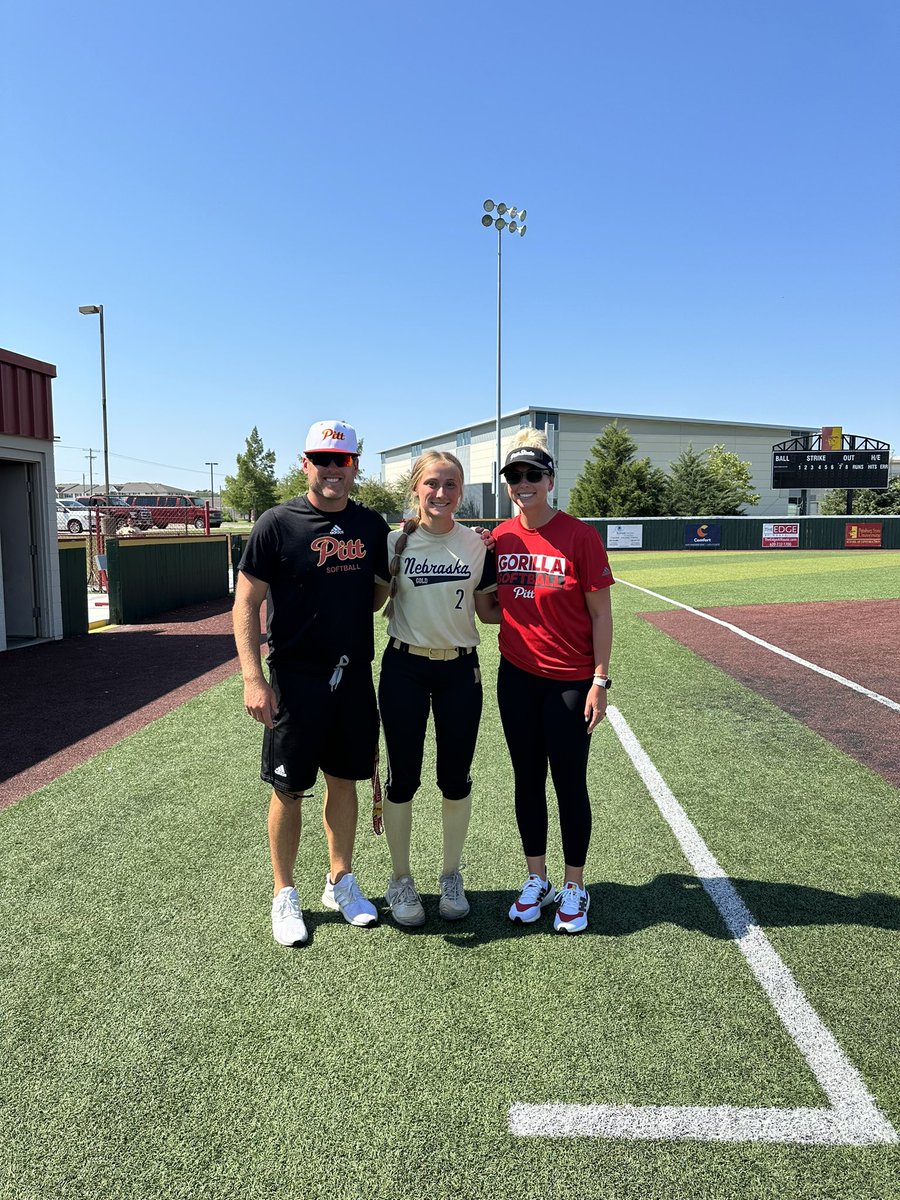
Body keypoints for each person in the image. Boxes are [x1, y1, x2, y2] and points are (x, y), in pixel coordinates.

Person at [233, 419, 390, 947]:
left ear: (354, 466)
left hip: (353, 678)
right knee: (290, 787)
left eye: (341, 460)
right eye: (322, 459)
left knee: (344, 780)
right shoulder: (277, 524)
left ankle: (340, 881)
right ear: (306, 463)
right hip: (295, 680)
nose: (331, 469)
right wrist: (253, 678)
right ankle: (284, 893)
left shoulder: (371, 526)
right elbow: (245, 604)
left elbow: (374, 595)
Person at [483, 428, 614, 934]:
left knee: (569, 782)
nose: (523, 483)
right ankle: (536, 878)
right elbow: (494, 612)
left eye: (532, 474)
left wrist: (601, 680)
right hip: (515, 679)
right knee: (526, 780)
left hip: (570, 683)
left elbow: (601, 615)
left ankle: (575, 885)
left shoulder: (580, 536)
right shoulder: (499, 537)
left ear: (551, 480)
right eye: (514, 476)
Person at [378, 451, 497, 926]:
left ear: (461, 491)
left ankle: (451, 875)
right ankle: (401, 879)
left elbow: (489, 612)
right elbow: (369, 603)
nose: (441, 493)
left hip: (459, 672)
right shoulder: (393, 542)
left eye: (450, 484)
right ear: (415, 488)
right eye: (432, 484)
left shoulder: (477, 546)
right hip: (403, 668)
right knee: (403, 777)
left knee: (455, 777)